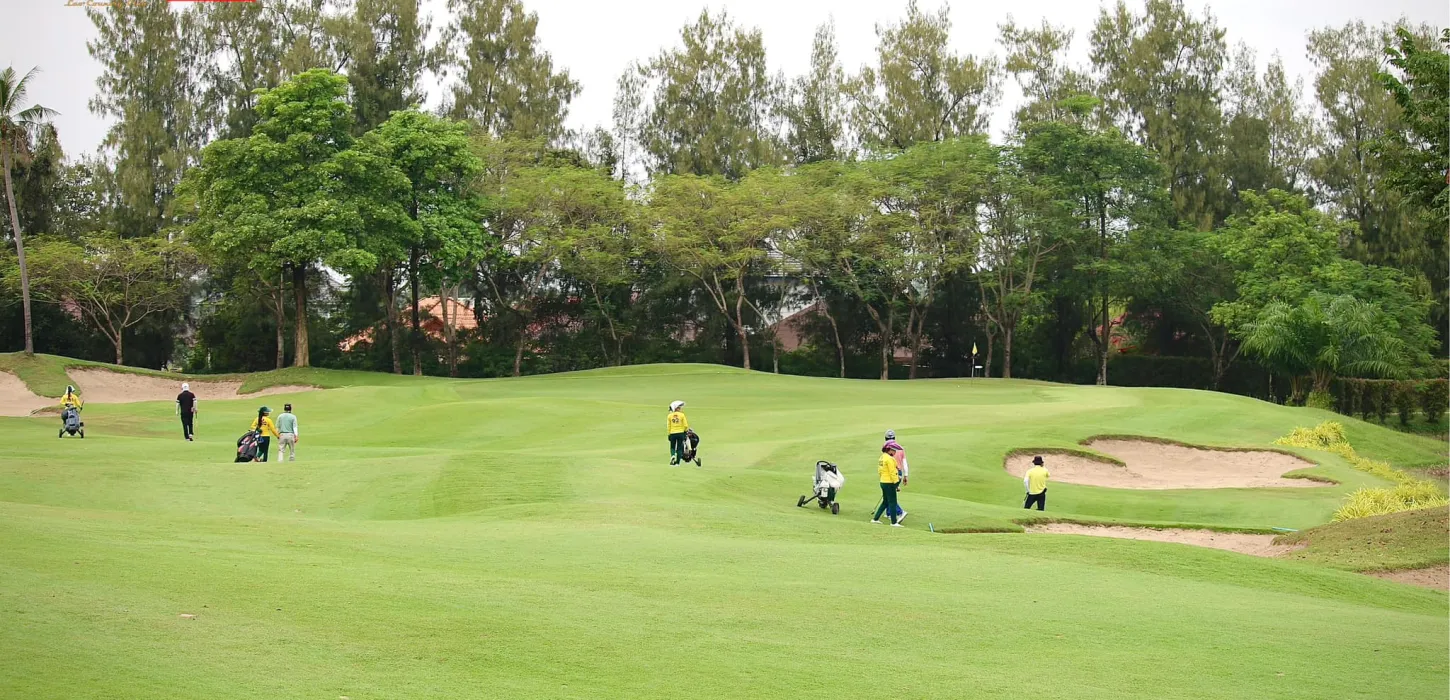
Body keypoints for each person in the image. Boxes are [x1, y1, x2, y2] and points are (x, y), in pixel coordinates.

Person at [872, 445, 903, 527]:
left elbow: (880, 471)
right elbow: (893, 472)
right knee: (892, 502)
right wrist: (896, 484)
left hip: (883, 481)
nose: (894, 452)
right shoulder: (890, 459)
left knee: (885, 501)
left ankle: (875, 519)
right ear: (889, 450)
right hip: (889, 483)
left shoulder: (881, 458)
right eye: (893, 450)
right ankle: (894, 522)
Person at [883, 430, 909, 523]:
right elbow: (904, 463)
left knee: (890, 495)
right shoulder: (900, 448)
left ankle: (900, 512)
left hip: (892, 473)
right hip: (899, 474)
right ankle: (889, 512)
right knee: (889, 493)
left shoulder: (886, 449)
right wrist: (905, 476)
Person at [666, 400, 692, 466]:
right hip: (680, 433)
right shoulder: (682, 415)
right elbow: (686, 425)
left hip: (672, 433)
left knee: (672, 446)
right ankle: (677, 463)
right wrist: (685, 431)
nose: (680, 408)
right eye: (679, 407)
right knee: (679, 448)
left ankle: (673, 456)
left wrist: (669, 434)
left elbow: (668, 426)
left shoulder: (669, 416)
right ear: (676, 408)